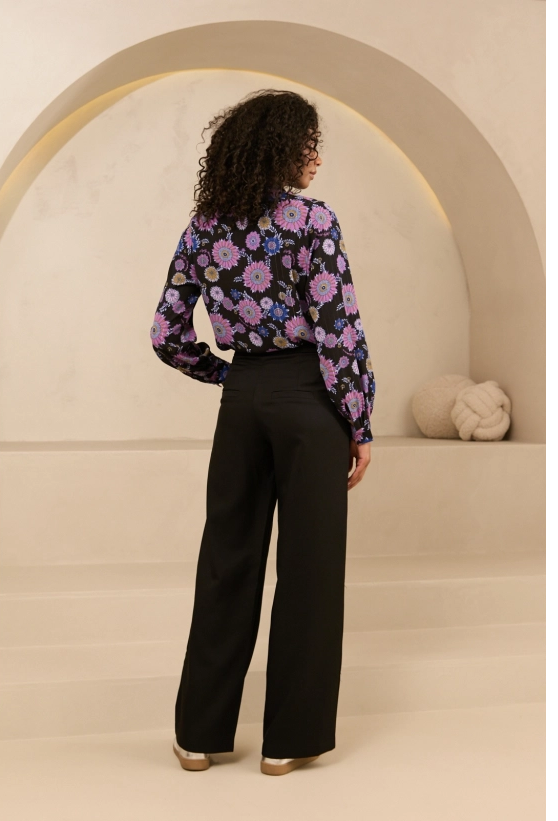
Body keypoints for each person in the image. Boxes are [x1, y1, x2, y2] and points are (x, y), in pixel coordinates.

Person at [150, 89, 375, 776]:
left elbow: (166, 333)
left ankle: (198, 735)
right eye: (308, 143)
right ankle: (286, 742)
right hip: (310, 398)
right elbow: (338, 328)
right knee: (309, 569)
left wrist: (232, 378)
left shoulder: (203, 227)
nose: (316, 157)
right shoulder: (312, 220)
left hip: (243, 399)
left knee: (228, 560)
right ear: (279, 149)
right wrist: (358, 419)